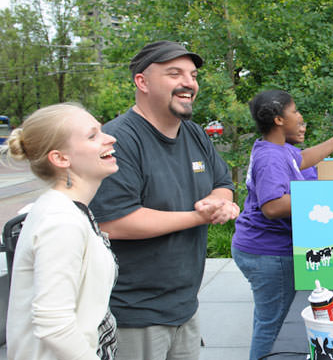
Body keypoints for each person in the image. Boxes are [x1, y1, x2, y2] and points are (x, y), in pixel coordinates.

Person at [89, 41, 239, 360]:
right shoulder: (120, 140)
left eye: (193, 75)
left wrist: (219, 202)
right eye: (174, 73)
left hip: (185, 306)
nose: (189, 83)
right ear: (142, 82)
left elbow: (222, 182)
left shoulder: (195, 133)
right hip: (134, 315)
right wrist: (200, 217)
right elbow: (114, 222)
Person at [232, 90, 333, 360]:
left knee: (270, 319)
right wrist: (328, 199)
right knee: (272, 326)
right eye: (295, 111)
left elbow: (302, 159)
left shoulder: (279, 149)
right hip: (267, 252)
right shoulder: (269, 157)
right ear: (279, 120)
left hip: (265, 249)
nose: (300, 116)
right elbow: (272, 206)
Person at [4, 103, 119, 360]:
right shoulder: (60, 222)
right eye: (93, 136)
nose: (110, 138)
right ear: (60, 158)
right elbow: (54, 325)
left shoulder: (68, 210)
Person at [285, 112, 318, 180]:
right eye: (297, 125)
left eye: (303, 124)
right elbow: (311, 182)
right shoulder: (288, 152)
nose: (303, 129)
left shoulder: (292, 151)